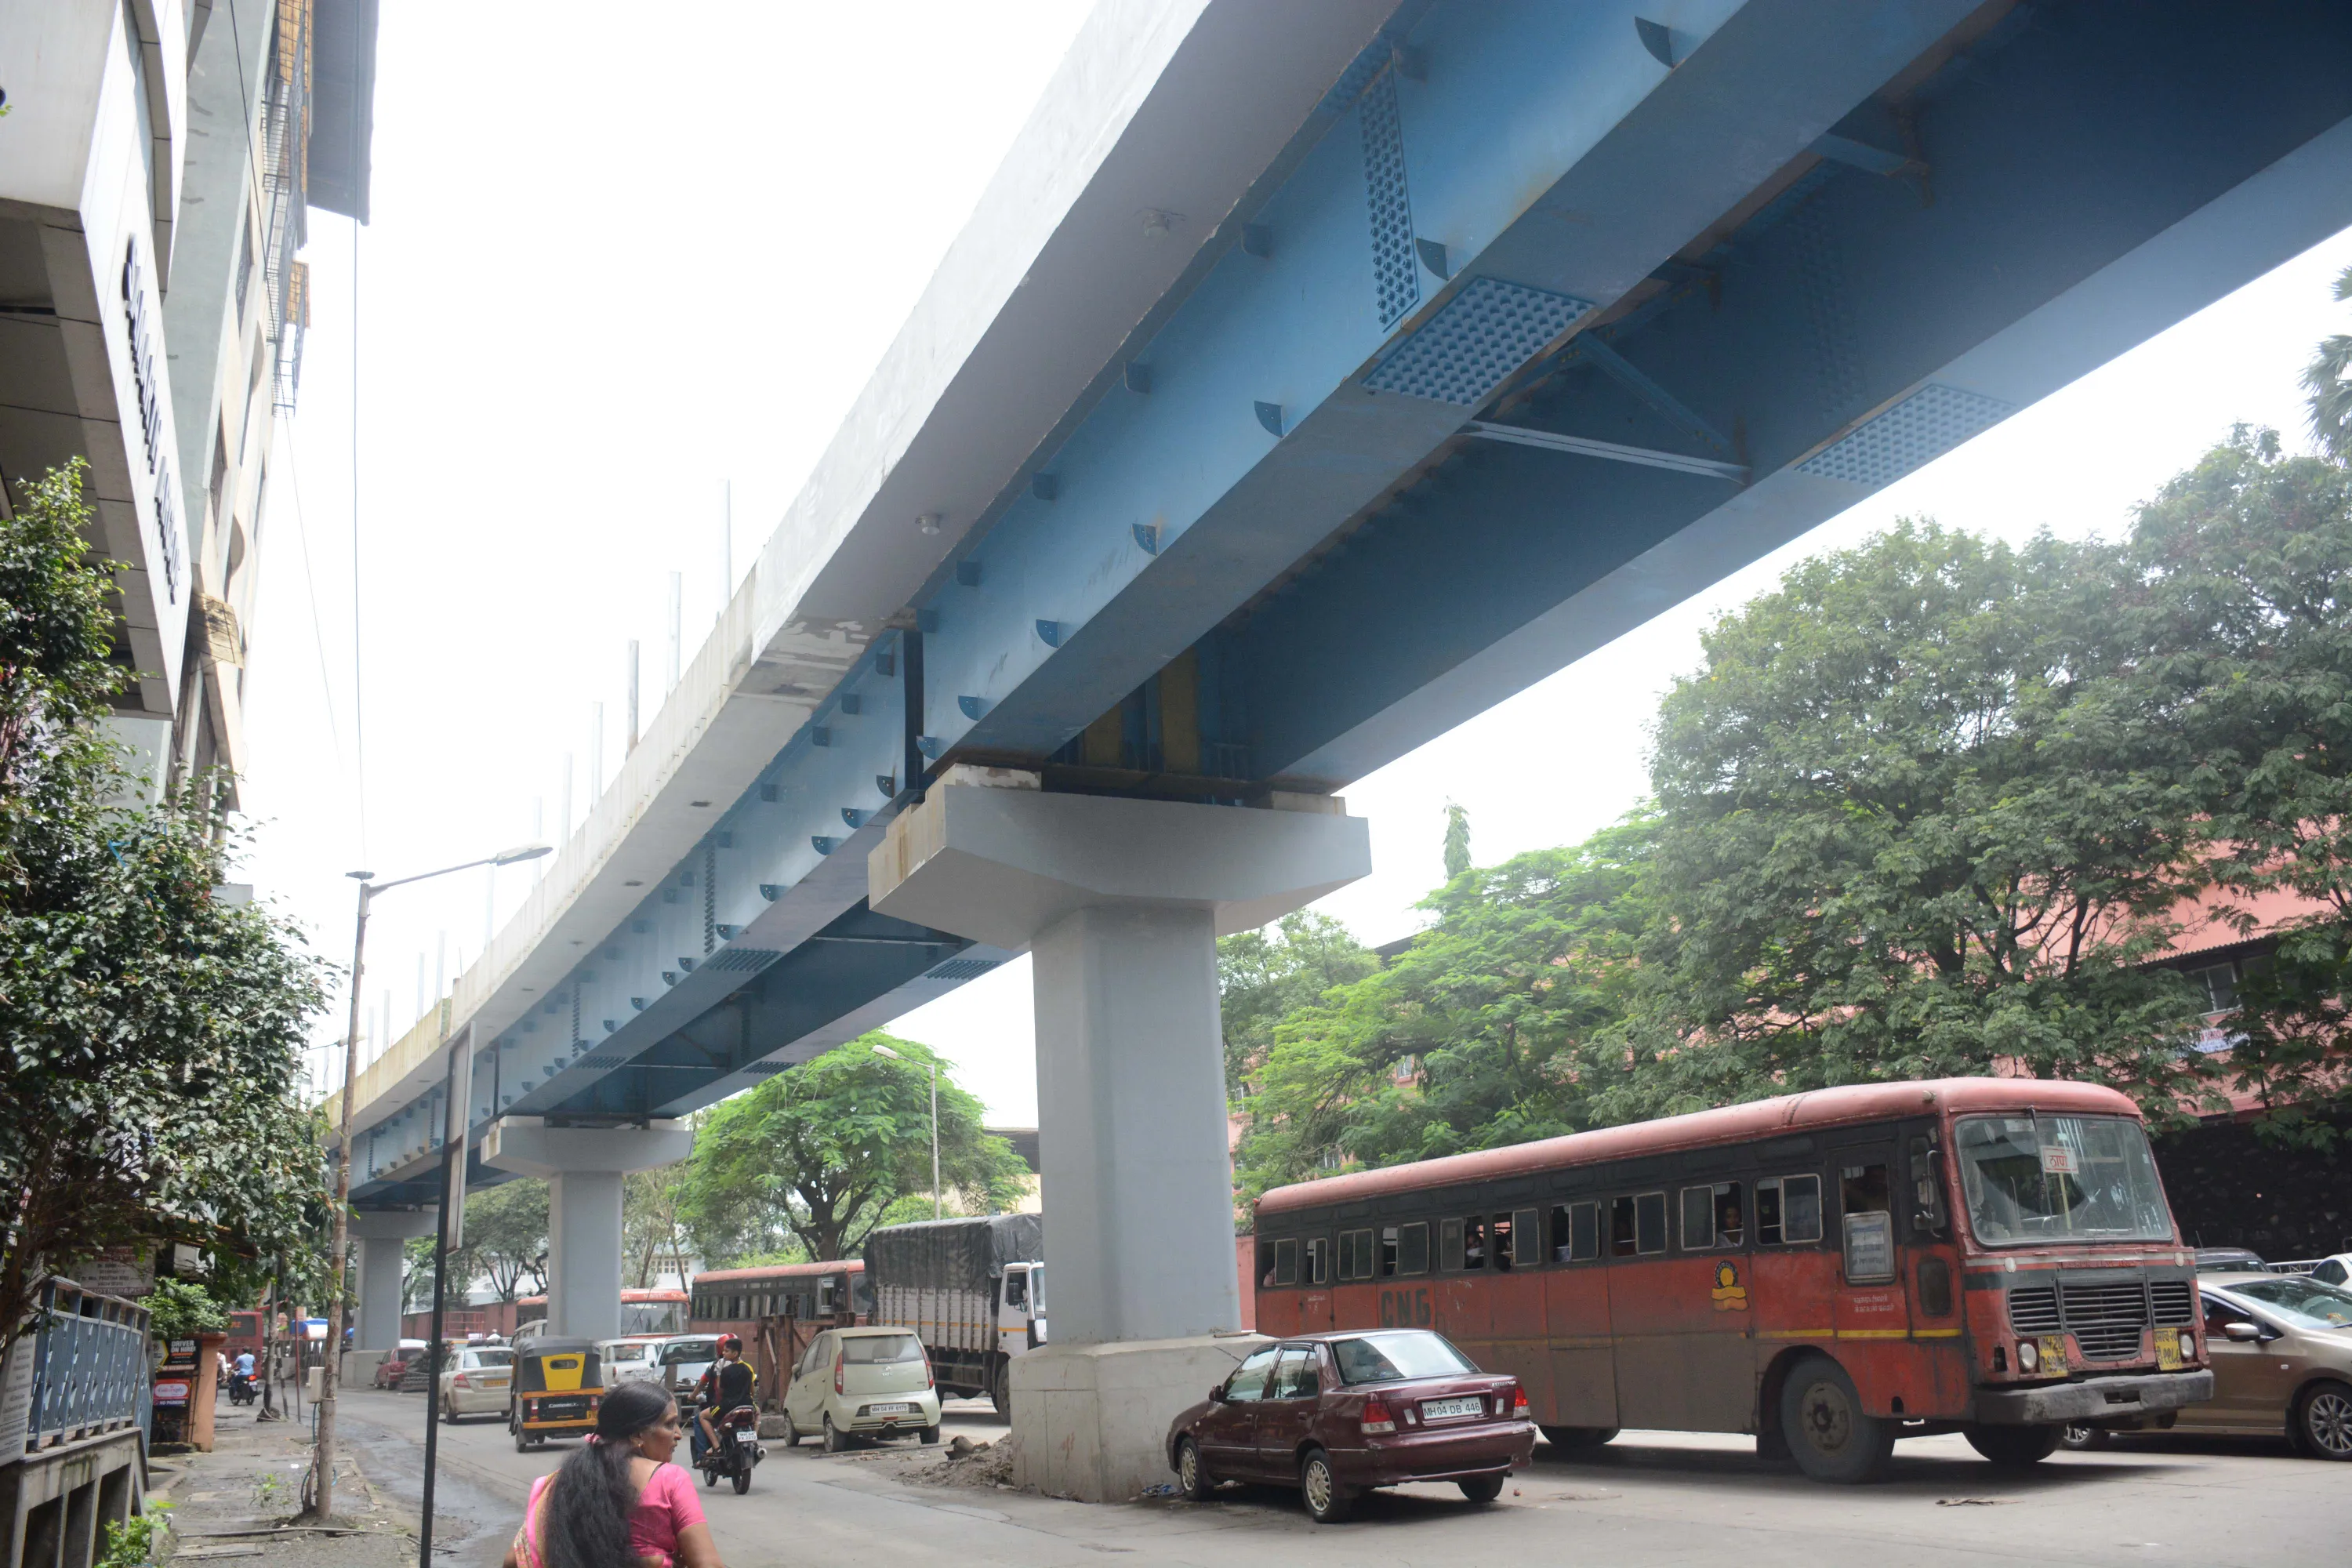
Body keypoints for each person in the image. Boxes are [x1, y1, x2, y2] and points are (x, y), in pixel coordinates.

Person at [505, 1381, 720, 1568]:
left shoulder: (559, 1483)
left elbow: (514, 1561)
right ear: (637, 1434)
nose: (679, 1435)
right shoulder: (670, 1479)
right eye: (669, 1424)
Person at [691, 1336, 754, 1463]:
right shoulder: (748, 1368)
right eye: (723, 1351)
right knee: (756, 1416)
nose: (723, 1354)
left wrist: (719, 1374)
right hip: (747, 1405)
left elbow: (720, 1390)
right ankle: (754, 1442)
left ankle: (716, 1446)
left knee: (702, 1417)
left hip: (727, 1406)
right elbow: (752, 1390)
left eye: (726, 1351)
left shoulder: (724, 1370)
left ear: (735, 1353)